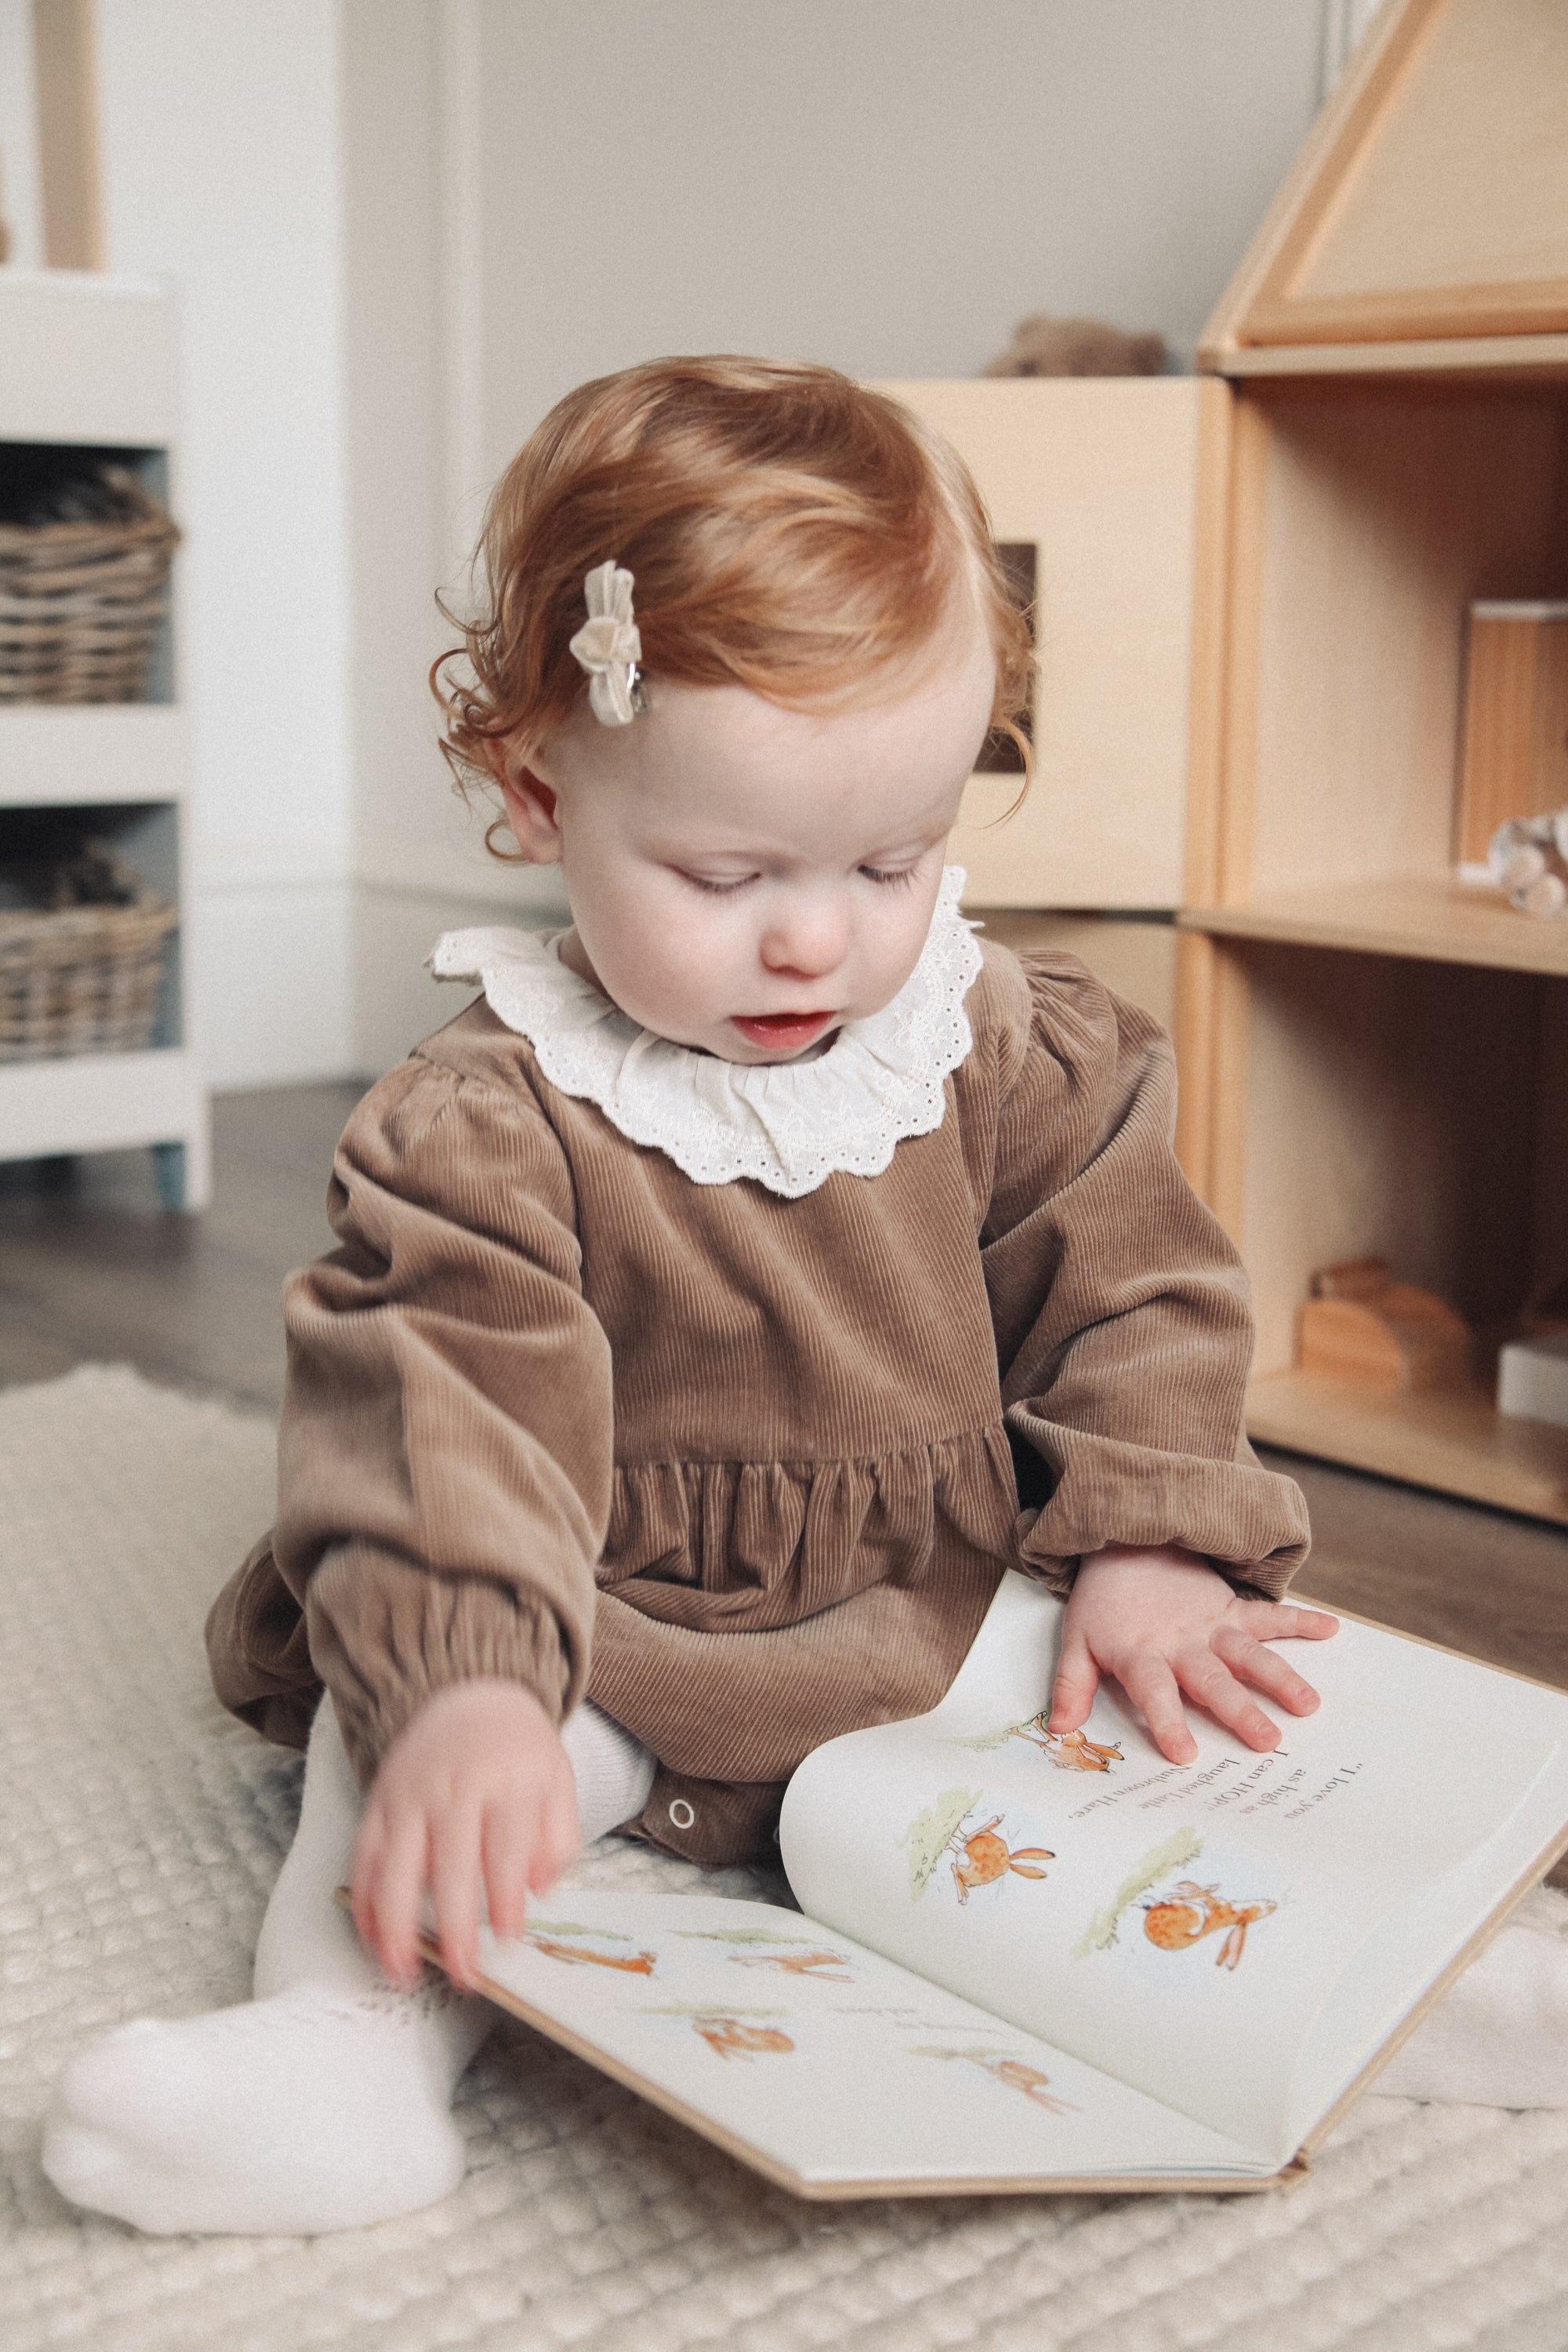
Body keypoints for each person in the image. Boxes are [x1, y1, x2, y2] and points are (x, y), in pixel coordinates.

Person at [42, 355, 1334, 2238]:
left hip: (939, 1589)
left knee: (1178, 1711)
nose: (816, 934)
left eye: (891, 859)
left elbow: (1135, 1293)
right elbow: (440, 1417)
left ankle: (1383, 1983)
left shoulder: (1007, 1044)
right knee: (398, 1765)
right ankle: (344, 2051)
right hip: (604, 1622)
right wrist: (470, 1687)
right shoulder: (488, 1124)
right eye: (725, 872)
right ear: (537, 789)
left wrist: (1149, 1538)